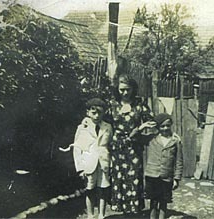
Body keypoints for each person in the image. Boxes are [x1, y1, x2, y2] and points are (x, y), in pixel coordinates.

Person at [108, 74, 156, 214]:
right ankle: (123, 211)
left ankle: (134, 211)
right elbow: (101, 121)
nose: (124, 93)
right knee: (119, 177)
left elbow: (153, 121)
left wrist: (144, 131)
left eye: (127, 89)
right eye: (121, 89)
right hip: (117, 147)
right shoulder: (112, 105)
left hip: (134, 147)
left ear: (133, 89)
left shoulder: (139, 105)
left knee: (134, 177)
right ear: (117, 89)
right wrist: (86, 123)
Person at [63, 98, 112, 219]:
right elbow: (77, 148)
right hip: (88, 164)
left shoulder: (108, 127)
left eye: (99, 112)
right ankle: (90, 215)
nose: (96, 116)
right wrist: (80, 168)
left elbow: (109, 144)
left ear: (104, 112)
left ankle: (101, 215)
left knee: (103, 189)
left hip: (103, 163)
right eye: (93, 112)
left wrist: (109, 161)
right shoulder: (82, 127)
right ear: (88, 112)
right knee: (90, 190)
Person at [138, 113, 183, 219]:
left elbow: (179, 161)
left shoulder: (175, 141)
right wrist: (143, 127)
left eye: (168, 125)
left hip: (166, 176)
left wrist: (176, 178)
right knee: (153, 201)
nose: (165, 128)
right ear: (157, 127)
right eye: (162, 126)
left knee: (164, 201)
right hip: (152, 175)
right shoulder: (151, 139)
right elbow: (133, 137)